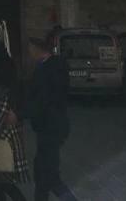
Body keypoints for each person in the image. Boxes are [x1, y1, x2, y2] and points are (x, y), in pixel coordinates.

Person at [24, 36, 78, 201]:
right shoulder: (48, 66)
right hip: (49, 126)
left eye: (30, 49)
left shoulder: (48, 69)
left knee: (49, 176)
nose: (29, 53)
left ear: (37, 49)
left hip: (51, 127)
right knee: (43, 175)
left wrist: (20, 114)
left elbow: (42, 100)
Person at [0, 55, 31, 200]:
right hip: (11, 139)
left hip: (2, 143)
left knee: (3, 184)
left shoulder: (2, 92)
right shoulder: (15, 88)